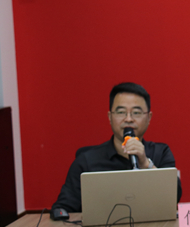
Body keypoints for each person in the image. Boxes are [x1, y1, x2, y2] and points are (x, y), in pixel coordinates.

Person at [50, 82, 182, 218]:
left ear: (149, 118)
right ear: (110, 117)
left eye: (136, 113)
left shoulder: (161, 153)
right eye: (121, 112)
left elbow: (174, 196)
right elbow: (62, 209)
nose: (128, 119)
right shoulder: (86, 161)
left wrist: (145, 164)